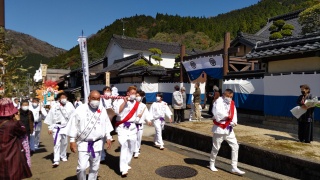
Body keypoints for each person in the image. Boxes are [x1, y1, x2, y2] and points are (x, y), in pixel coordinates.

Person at [65, 90, 113, 180]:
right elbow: (74, 125)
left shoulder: (102, 110)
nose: (96, 101)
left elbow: (106, 124)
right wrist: (72, 140)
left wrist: (109, 137)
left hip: (97, 143)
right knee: (82, 168)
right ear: (88, 98)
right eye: (93, 98)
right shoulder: (80, 109)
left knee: (95, 167)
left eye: (98, 99)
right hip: (84, 143)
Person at [209, 89, 245, 175]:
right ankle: (211, 163)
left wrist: (233, 121)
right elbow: (217, 114)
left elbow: (234, 113)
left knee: (235, 146)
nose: (229, 98)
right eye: (228, 96)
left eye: (231, 97)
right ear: (223, 95)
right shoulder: (218, 101)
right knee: (216, 147)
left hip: (229, 129)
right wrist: (227, 116)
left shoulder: (232, 103)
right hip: (219, 128)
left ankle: (234, 167)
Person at [0, 98, 32, 179]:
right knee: (13, 175)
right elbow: (23, 131)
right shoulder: (13, 124)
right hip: (12, 153)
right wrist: (18, 120)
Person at [113, 86, 140, 177]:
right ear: (127, 93)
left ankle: (127, 163)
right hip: (122, 127)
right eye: (132, 93)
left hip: (132, 127)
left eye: (135, 93)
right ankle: (123, 169)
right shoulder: (120, 100)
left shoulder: (137, 103)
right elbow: (117, 112)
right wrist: (124, 102)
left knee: (131, 146)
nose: (133, 95)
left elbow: (137, 114)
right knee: (124, 145)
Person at [44, 92, 75, 167]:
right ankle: (56, 160)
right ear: (59, 98)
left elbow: (74, 115)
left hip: (65, 127)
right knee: (56, 144)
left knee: (64, 143)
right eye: (62, 97)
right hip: (56, 127)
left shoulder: (70, 105)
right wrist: (50, 127)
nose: (63, 98)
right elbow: (50, 116)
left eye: (65, 97)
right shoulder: (55, 105)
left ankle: (63, 156)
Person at [133, 90, 152, 158]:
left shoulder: (143, 105)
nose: (137, 97)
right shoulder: (132, 104)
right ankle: (135, 150)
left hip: (140, 125)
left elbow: (146, 113)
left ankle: (137, 150)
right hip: (133, 124)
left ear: (141, 97)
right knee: (134, 138)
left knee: (139, 138)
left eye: (139, 96)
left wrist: (148, 120)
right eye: (136, 95)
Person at [100, 86, 116, 162]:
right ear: (103, 92)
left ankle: (110, 134)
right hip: (103, 117)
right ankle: (102, 155)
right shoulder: (100, 98)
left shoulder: (113, 98)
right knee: (101, 139)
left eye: (109, 90)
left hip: (111, 116)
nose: (107, 92)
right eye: (106, 90)